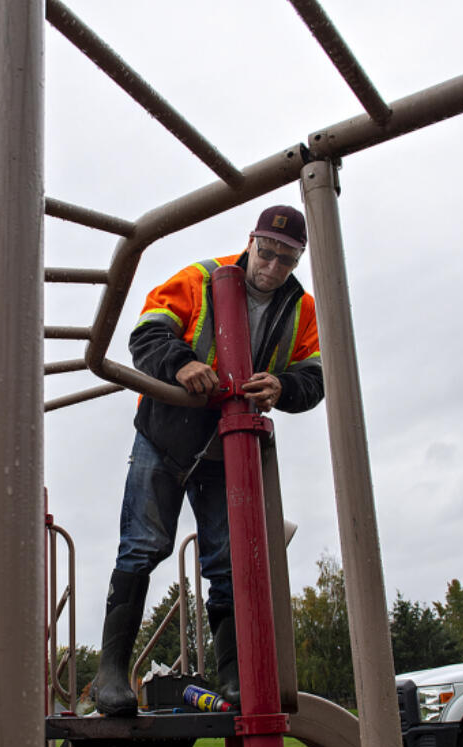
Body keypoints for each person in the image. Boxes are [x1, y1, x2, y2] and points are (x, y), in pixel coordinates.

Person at [92, 204, 324, 716]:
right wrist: (182, 363)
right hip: (165, 434)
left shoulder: (301, 309)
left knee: (225, 560)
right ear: (251, 242)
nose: (272, 266)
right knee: (142, 547)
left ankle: (235, 678)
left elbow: (316, 376)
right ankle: (110, 674)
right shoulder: (200, 278)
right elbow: (147, 333)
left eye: (286, 258)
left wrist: (283, 385)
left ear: (297, 259)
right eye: (267, 251)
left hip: (227, 445)